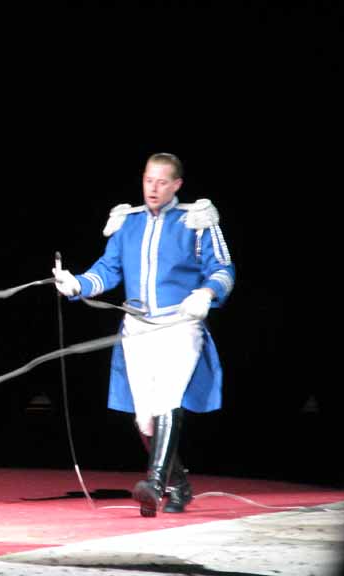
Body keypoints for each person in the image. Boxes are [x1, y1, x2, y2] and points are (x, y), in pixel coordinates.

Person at [53, 152, 235, 517]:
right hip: (137, 328)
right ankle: (179, 485)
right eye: (148, 180)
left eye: (162, 182)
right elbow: (107, 271)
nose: (153, 188)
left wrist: (206, 294)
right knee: (143, 419)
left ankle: (154, 484)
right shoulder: (128, 223)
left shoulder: (196, 220)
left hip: (179, 324)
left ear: (177, 185)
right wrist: (76, 285)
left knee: (169, 398)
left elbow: (223, 269)